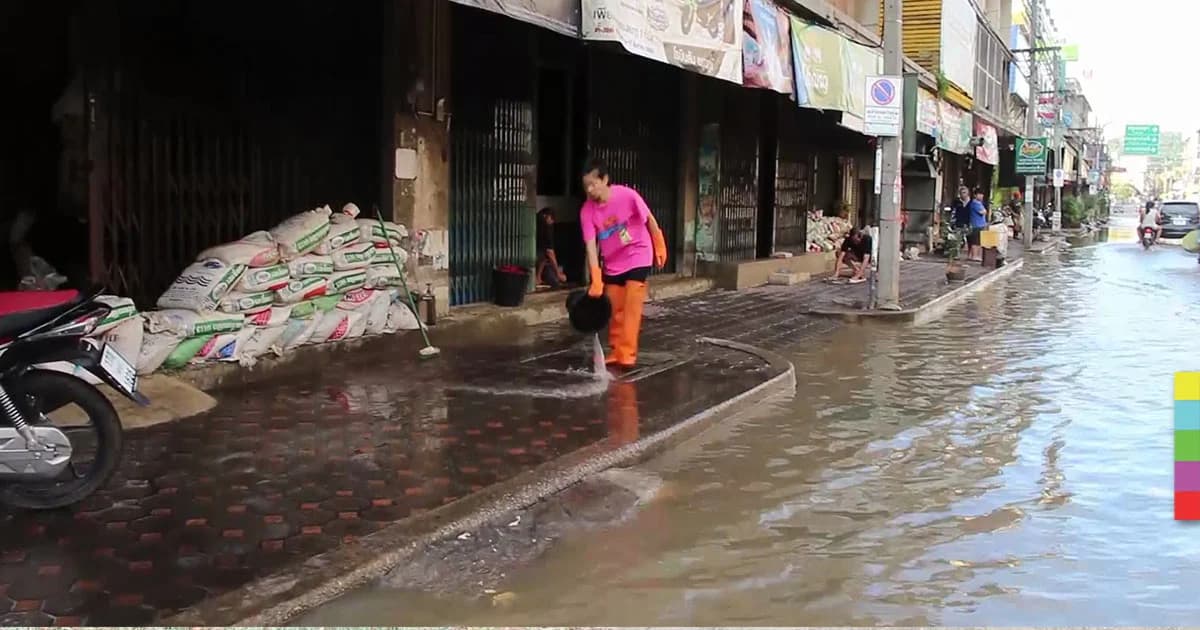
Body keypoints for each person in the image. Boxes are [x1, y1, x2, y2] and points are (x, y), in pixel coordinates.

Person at [580, 158, 668, 370]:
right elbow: (591, 246)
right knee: (615, 306)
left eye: (593, 184)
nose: (590, 190)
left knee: (631, 302)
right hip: (613, 261)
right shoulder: (587, 211)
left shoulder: (627, 195)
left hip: (638, 252)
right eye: (586, 186)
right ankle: (617, 350)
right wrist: (596, 277)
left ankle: (627, 353)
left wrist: (659, 244)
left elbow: (649, 219)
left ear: (605, 180)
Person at [534, 208, 566, 289]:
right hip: (531, 251)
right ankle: (537, 278)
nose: (551, 223)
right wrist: (558, 273)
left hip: (538, 250)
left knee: (544, 256)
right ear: (547, 216)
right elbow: (550, 252)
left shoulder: (542, 223)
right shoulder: (542, 225)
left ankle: (538, 278)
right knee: (545, 254)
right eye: (551, 220)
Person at [967, 188, 988, 261]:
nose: (981, 196)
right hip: (976, 225)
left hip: (980, 225)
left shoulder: (979, 203)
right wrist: (984, 211)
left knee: (978, 241)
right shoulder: (975, 203)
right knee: (975, 242)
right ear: (975, 195)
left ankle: (974, 255)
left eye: (982, 194)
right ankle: (974, 256)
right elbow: (983, 212)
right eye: (979, 194)